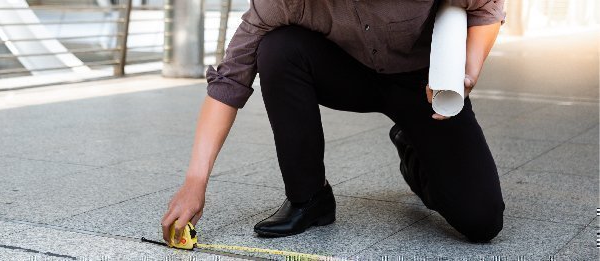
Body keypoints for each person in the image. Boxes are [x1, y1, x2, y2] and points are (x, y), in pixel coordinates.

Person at [161, 0, 506, 244]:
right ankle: (309, 199)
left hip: (424, 86)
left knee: (481, 220)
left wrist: (468, 69)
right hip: (347, 74)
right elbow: (230, 80)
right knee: (277, 49)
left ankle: (412, 148)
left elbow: (487, 8)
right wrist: (195, 180)